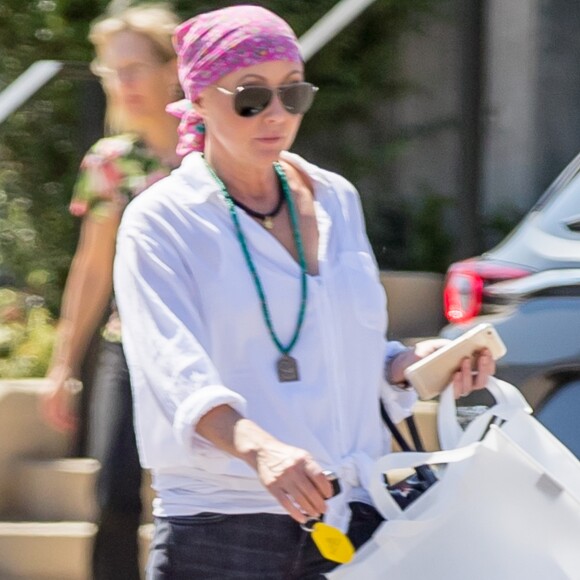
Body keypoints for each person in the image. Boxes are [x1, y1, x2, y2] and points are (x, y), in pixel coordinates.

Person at [113, 6, 496, 579]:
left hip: (355, 515)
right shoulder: (162, 219)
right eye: (251, 97)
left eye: (292, 95)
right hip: (226, 527)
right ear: (198, 99)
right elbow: (173, 370)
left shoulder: (335, 197)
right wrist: (258, 448)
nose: (275, 114)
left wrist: (406, 364)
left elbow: (341, 339)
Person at [41, 4, 182, 579]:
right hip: (131, 346)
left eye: (134, 67)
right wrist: (62, 365)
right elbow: (92, 268)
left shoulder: (215, 152)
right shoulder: (110, 163)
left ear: (173, 69)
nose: (123, 83)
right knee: (115, 495)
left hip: (215, 343)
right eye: (110, 71)